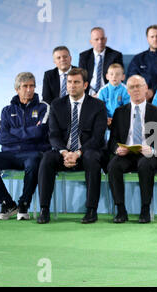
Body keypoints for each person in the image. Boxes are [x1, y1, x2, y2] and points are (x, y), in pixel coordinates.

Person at [37, 68, 107, 224]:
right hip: (64, 153)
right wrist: (64, 153)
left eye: (76, 82)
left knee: (92, 157)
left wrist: (78, 153)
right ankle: (44, 209)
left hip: (86, 152)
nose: (72, 86)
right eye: (69, 82)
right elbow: (53, 135)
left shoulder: (98, 105)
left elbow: (97, 137)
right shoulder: (57, 105)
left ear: (85, 85)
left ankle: (91, 210)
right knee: (47, 158)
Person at [0, 72, 50, 220]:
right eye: (25, 86)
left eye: (32, 86)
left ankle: (24, 203)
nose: (29, 89)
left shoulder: (44, 107)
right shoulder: (6, 111)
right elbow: (2, 137)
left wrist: (14, 132)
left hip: (33, 153)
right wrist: (28, 133)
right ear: (17, 89)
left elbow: (40, 132)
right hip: (10, 154)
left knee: (35, 159)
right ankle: (8, 203)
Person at [107, 75, 157, 224]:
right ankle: (120, 210)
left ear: (146, 88)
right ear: (127, 91)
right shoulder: (120, 112)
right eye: (132, 87)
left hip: (147, 155)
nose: (136, 90)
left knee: (144, 164)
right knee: (113, 165)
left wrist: (152, 150)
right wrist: (116, 149)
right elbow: (112, 140)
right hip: (126, 154)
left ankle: (145, 209)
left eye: (139, 86)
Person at [79, 27, 124, 96]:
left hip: (109, 93)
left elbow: (119, 78)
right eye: (96, 39)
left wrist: (102, 94)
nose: (100, 42)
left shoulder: (115, 55)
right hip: (89, 93)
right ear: (91, 42)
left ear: (106, 40)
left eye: (102, 39)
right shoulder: (84, 56)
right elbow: (81, 78)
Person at [97, 63, 130, 127]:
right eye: (111, 74)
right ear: (107, 76)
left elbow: (127, 108)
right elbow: (99, 108)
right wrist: (106, 118)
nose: (114, 76)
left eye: (117, 74)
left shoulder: (126, 90)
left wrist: (118, 119)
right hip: (106, 120)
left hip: (121, 120)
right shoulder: (102, 91)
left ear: (123, 77)